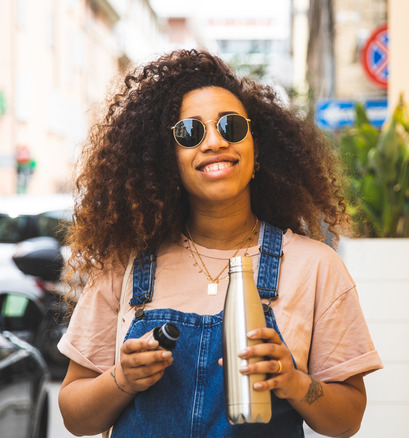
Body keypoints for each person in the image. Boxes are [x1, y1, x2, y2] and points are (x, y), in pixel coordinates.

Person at [57, 49, 383, 437]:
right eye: (190, 133)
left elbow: (348, 420)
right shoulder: (124, 266)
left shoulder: (314, 266)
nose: (214, 142)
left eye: (231, 127)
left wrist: (294, 382)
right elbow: (75, 418)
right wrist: (121, 379)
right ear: (168, 159)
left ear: (256, 147)